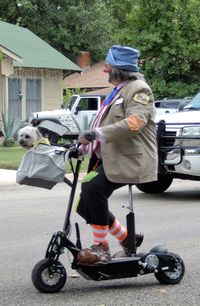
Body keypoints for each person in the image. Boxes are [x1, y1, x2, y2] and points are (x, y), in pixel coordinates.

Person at [76, 45, 158, 264]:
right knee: (86, 201)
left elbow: (134, 123)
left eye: (108, 64)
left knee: (93, 189)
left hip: (132, 160)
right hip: (112, 158)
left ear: (119, 68)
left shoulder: (139, 89)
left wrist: (95, 134)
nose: (104, 70)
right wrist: (85, 145)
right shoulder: (119, 90)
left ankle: (101, 248)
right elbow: (106, 123)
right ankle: (127, 238)